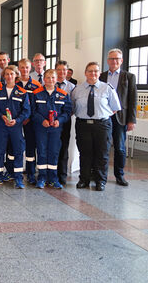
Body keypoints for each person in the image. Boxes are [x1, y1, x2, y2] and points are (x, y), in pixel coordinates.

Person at [72, 62, 121, 191]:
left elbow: (115, 108)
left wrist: (101, 114)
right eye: (90, 71)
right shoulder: (77, 90)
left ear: (99, 73)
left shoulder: (107, 88)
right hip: (83, 125)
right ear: (85, 73)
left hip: (102, 125)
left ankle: (100, 181)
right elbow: (72, 107)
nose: (93, 73)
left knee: (102, 154)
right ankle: (84, 179)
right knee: (85, 153)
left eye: (96, 71)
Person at [99, 49, 137, 186]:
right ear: (107, 60)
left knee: (120, 148)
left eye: (117, 59)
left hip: (121, 118)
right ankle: (100, 174)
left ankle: (119, 175)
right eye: (111, 58)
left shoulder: (129, 77)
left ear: (121, 60)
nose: (114, 61)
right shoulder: (101, 76)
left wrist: (132, 120)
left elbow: (133, 99)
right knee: (102, 147)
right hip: (104, 117)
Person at [0, 65, 30, 189]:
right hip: (2, 125)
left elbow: (27, 111)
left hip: (15, 127)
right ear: (4, 76)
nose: (9, 76)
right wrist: (1, 116)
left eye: (11, 74)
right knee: (0, 150)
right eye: (7, 74)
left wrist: (17, 120)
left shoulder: (22, 92)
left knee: (18, 151)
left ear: (16, 75)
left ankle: (18, 177)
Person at [31, 69, 72, 189]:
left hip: (55, 129)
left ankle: (53, 178)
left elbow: (67, 112)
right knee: (42, 151)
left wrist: (59, 121)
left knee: (54, 152)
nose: (50, 80)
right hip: (41, 128)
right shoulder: (36, 93)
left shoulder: (63, 95)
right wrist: (41, 120)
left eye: (53, 78)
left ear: (56, 79)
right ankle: (42, 177)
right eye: (48, 78)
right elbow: (33, 111)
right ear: (44, 79)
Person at [17, 58, 42, 185]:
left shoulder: (36, 85)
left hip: (31, 122)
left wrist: (28, 117)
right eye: (22, 67)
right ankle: (13, 172)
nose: (24, 70)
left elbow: (37, 105)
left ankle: (31, 173)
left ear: (30, 68)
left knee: (31, 148)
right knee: (14, 147)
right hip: (16, 121)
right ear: (19, 68)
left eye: (26, 67)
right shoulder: (14, 83)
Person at [55, 60, 75, 185]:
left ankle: (62, 174)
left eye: (64, 70)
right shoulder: (48, 83)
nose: (62, 72)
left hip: (64, 122)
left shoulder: (72, 88)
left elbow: (73, 106)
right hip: (50, 122)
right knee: (50, 148)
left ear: (67, 72)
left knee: (63, 148)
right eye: (59, 69)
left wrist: (62, 117)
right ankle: (49, 173)